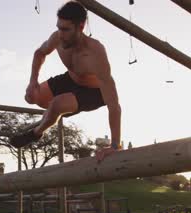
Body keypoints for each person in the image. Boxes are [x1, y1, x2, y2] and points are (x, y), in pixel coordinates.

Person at [9, 1, 121, 161]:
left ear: (80, 27)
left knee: (57, 104)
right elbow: (39, 53)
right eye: (59, 27)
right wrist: (33, 81)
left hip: (93, 92)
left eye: (66, 29)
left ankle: (36, 133)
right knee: (32, 97)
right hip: (70, 79)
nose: (61, 34)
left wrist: (115, 145)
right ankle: (50, 115)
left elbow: (114, 104)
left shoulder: (95, 52)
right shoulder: (57, 38)